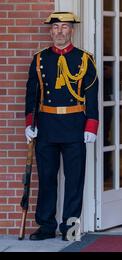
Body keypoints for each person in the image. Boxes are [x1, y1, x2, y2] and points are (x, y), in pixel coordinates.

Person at [24, 12, 99, 241]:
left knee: (74, 180)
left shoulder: (85, 59)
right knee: (46, 178)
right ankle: (46, 226)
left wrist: (91, 126)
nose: (59, 31)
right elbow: (31, 95)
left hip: (75, 125)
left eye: (64, 27)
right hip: (46, 126)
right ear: (50, 31)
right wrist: (30, 123)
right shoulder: (39, 59)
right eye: (55, 27)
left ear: (71, 31)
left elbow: (92, 95)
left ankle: (70, 228)